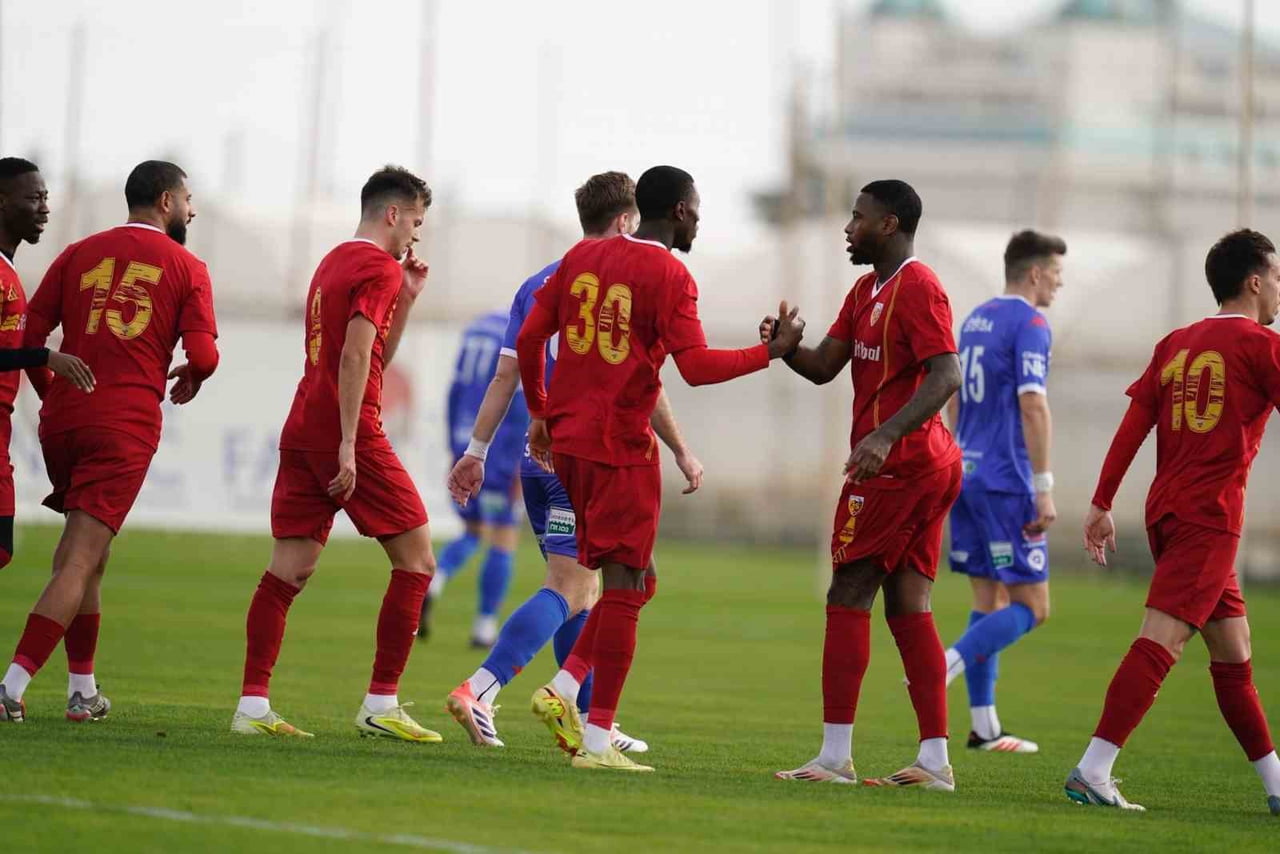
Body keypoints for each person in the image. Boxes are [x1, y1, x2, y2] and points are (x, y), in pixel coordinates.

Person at [517, 164, 804, 772]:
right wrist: (771, 353)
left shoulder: (582, 256)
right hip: (620, 448)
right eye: (696, 208)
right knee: (623, 590)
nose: (699, 217)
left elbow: (531, 338)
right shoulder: (671, 272)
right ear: (677, 211)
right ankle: (597, 743)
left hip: (570, 445)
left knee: (638, 579)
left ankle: (564, 688)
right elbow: (695, 367)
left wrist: (541, 414)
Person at [444, 171, 698, 752]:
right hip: (589, 456)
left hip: (540, 458)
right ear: (626, 221)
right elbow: (645, 378)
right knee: (577, 585)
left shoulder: (541, 281)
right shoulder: (626, 275)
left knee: (594, 586)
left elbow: (509, 372)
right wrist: (680, 449)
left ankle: (583, 714)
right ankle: (481, 688)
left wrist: (477, 451)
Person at [1067, 229, 1280, 814]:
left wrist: (1102, 502)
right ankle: (1093, 768)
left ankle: (1276, 784)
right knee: (1162, 637)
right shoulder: (1263, 347)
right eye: (1279, 278)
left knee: (1234, 654)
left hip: (1167, 511)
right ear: (1256, 281)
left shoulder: (1176, 344)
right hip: (1209, 518)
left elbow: (1136, 423)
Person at [0, 160, 218, 724]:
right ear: (166, 201)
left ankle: (82, 690)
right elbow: (206, 355)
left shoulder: (77, 253)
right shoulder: (187, 264)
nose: (192, 211)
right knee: (77, 559)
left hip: (64, 422)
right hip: (122, 426)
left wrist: (51, 394)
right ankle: (11, 686)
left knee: (90, 557)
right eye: (188, 199)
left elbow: (31, 337)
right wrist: (194, 374)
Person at [231, 165, 440, 742]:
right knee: (418, 560)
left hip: (303, 423)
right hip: (345, 430)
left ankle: (251, 707)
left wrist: (410, 297)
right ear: (392, 214)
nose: (416, 236)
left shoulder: (333, 262)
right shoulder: (376, 265)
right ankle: (381, 701)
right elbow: (352, 360)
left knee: (288, 570)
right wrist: (349, 443)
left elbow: (374, 355)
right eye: (416, 222)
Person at [771, 180, 963, 790]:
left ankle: (834, 759)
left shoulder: (920, 286)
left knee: (847, 592)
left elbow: (947, 373)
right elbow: (827, 367)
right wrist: (785, 350)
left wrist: (884, 436)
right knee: (909, 607)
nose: (848, 228)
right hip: (915, 465)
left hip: (901, 466)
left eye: (858, 218)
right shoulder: (864, 290)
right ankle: (934, 763)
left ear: (890, 223)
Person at [942, 230, 1066, 754]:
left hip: (965, 471)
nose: (1059, 285)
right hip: (1008, 480)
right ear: (1034, 273)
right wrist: (1044, 488)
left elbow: (951, 395)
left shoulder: (975, 320)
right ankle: (940, 667)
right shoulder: (1031, 324)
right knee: (1033, 607)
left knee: (988, 598)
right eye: (1057, 275)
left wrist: (957, 452)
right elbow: (1033, 405)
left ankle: (985, 727)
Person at [0, 158, 95, 574]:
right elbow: (27, 352)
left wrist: (56, 399)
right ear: (2, 202)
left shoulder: (9, 270)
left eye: (46, 198)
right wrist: (44, 356)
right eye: (34, 198)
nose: (44, 209)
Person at [420, 308, 529, 648]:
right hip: (499, 457)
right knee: (503, 536)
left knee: (472, 531)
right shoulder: (517, 337)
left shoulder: (476, 329)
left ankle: (436, 578)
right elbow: (519, 402)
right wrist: (516, 465)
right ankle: (484, 626)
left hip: (467, 444)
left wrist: (457, 449)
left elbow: (454, 394)